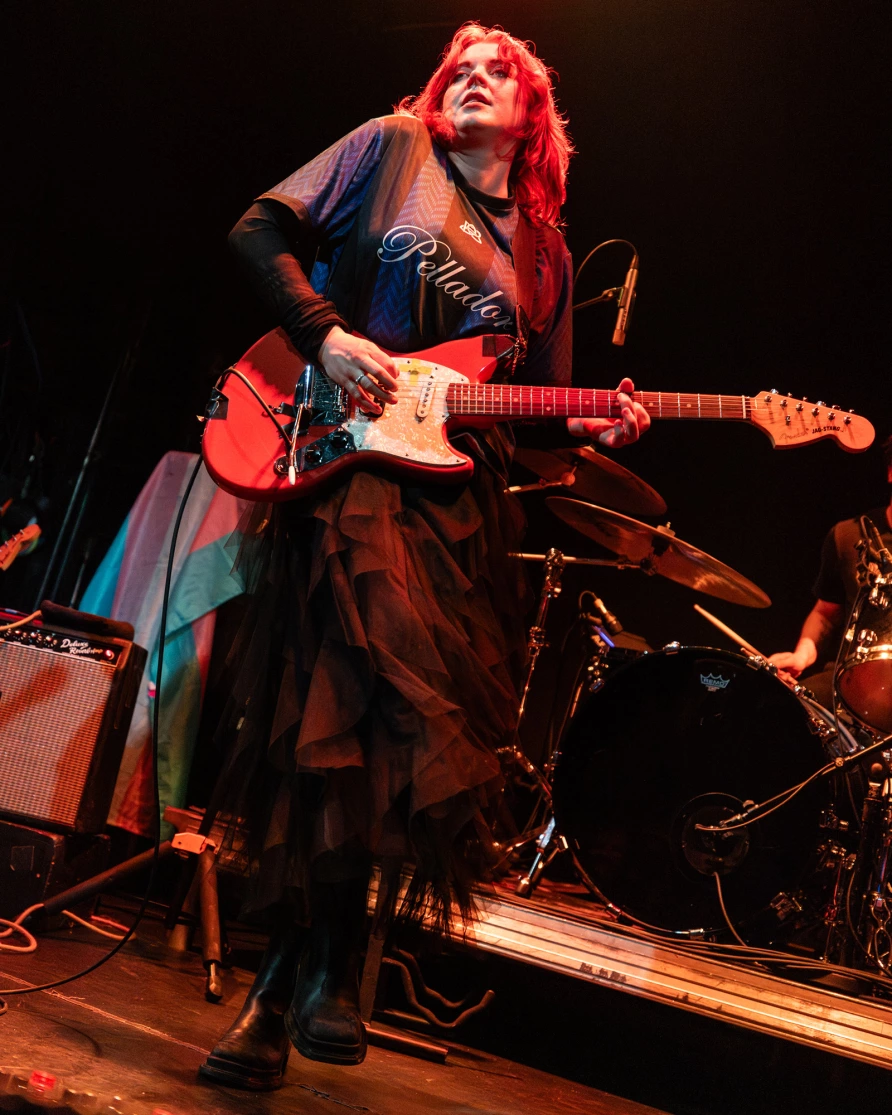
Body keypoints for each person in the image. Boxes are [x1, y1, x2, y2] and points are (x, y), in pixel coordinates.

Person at [199, 22, 650, 1091]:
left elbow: (530, 406)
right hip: (350, 482)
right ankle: (313, 977)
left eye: (498, 68)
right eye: (460, 64)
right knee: (345, 712)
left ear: (534, 114)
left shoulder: (542, 249)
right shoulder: (392, 145)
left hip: (459, 516)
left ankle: (300, 983)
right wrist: (323, 330)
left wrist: (591, 424)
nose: (472, 74)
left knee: (399, 743)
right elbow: (257, 229)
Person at [769, 435, 892, 708]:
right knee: (782, 708)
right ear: (890, 472)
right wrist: (801, 655)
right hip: (853, 681)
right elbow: (825, 614)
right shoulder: (849, 535)